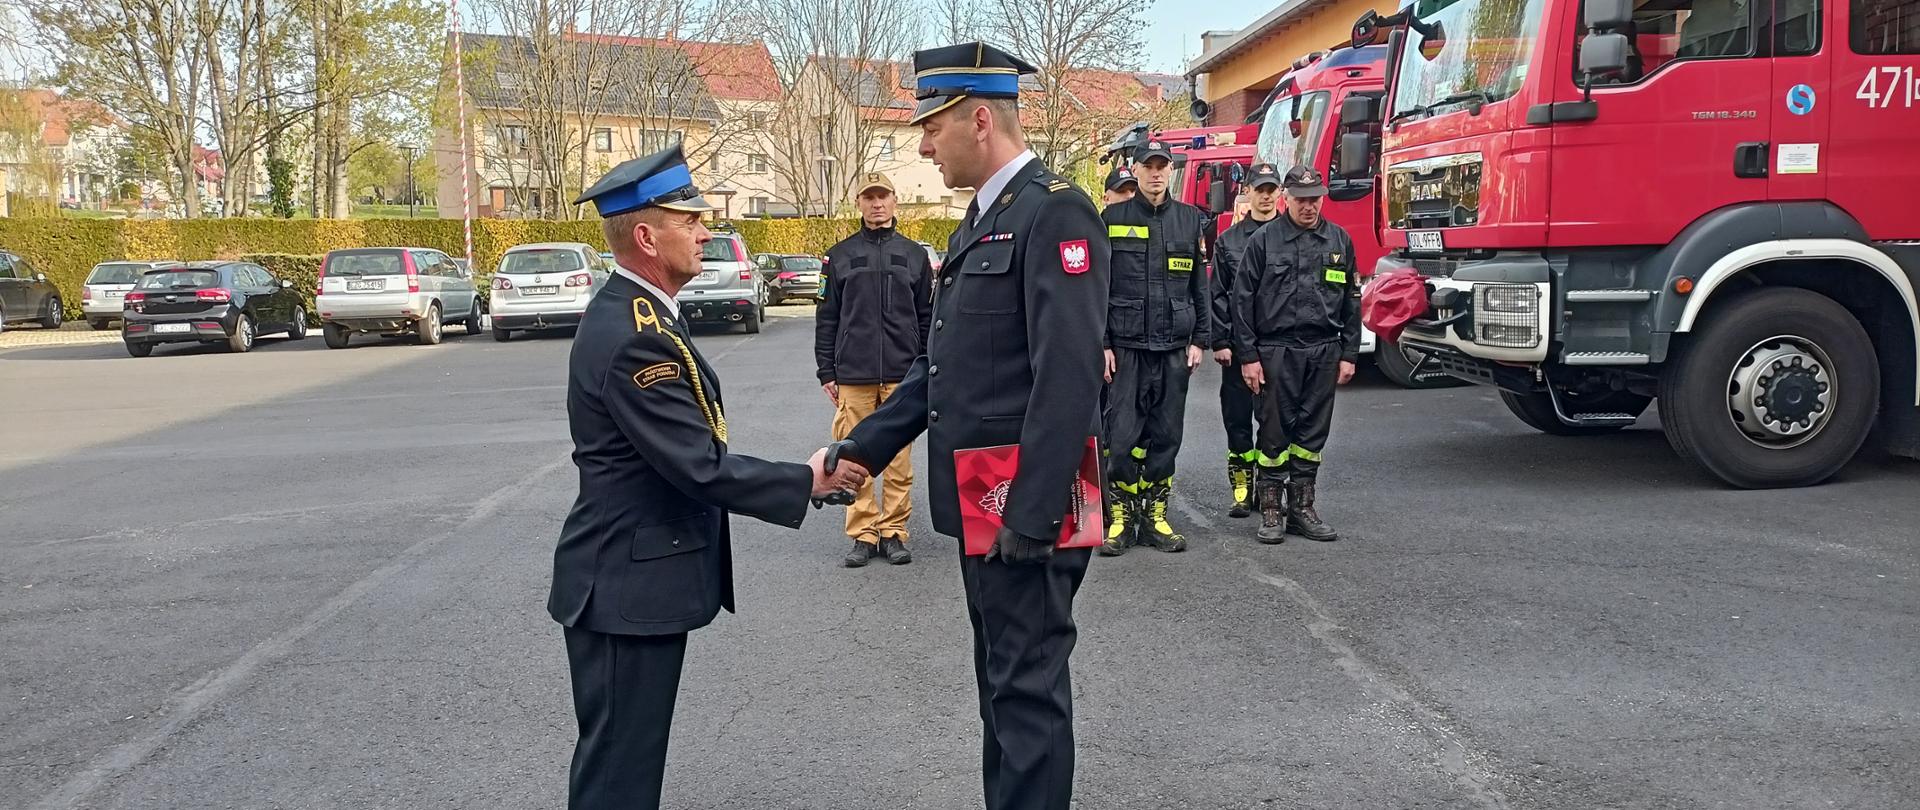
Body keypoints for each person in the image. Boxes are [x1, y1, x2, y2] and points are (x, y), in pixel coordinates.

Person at [831, 41, 1107, 810]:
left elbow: (1070, 373)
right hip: (985, 500)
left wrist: (1036, 509)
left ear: (979, 119)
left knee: (1027, 693)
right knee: (1002, 688)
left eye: (932, 125)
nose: (922, 144)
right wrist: (861, 449)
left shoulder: (1055, 212)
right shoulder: (982, 222)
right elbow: (941, 367)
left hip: (1025, 507)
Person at [549, 145, 867, 810]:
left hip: (629, 583)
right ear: (645, 236)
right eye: (689, 221)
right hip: (622, 590)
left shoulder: (644, 313)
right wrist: (802, 480)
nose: (704, 233)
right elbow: (695, 463)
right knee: (619, 776)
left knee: (625, 766)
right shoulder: (634, 332)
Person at [1230, 165, 1359, 544]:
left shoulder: (1338, 241)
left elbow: (1352, 299)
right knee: (1274, 432)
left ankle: (1302, 508)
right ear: (1286, 199)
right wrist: (1248, 356)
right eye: (1301, 199)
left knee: (1311, 433)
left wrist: (1350, 352)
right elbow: (1242, 301)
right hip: (1276, 350)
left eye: (1315, 198)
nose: (1309, 206)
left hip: (1323, 349)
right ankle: (1271, 510)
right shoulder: (1265, 241)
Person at [1098, 138, 1210, 556]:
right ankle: (1123, 516)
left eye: (1163, 166)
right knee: (1122, 437)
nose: (1157, 173)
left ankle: (1155, 515)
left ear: (1171, 171)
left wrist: (1201, 338)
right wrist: (1103, 343)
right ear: (1137, 169)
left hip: (1173, 348)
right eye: (1149, 166)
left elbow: (1200, 284)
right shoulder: (1112, 218)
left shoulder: (1189, 220)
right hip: (1126, 346)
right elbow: (1098, 287)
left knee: (1166, 436)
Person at [816, 171, 934, 567]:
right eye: (869, 197)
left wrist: (929, 366)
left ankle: (895, 531)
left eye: (882, 196)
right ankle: (864, 533)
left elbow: (926, 317)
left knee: (899, 460)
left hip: (904, 373)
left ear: (895, 201)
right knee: (854, 457)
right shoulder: (839, 256)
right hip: (853, 373)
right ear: (859, 203)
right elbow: (827, 316)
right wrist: (826, 371)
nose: (876, 204)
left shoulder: (915, 256)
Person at [1209, 163, 1283, 518]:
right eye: (1260, 189)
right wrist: (1221, 341)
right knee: (1237, 420)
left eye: (1272, 189)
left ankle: (1271, 489)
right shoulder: (1229, 241)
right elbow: (1218, 295)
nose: (1266, 196)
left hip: (1279, 349)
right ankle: (1242, 486)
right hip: (1239, 349)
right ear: (1248, 193)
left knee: (1275, 423)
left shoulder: (1292, 235)